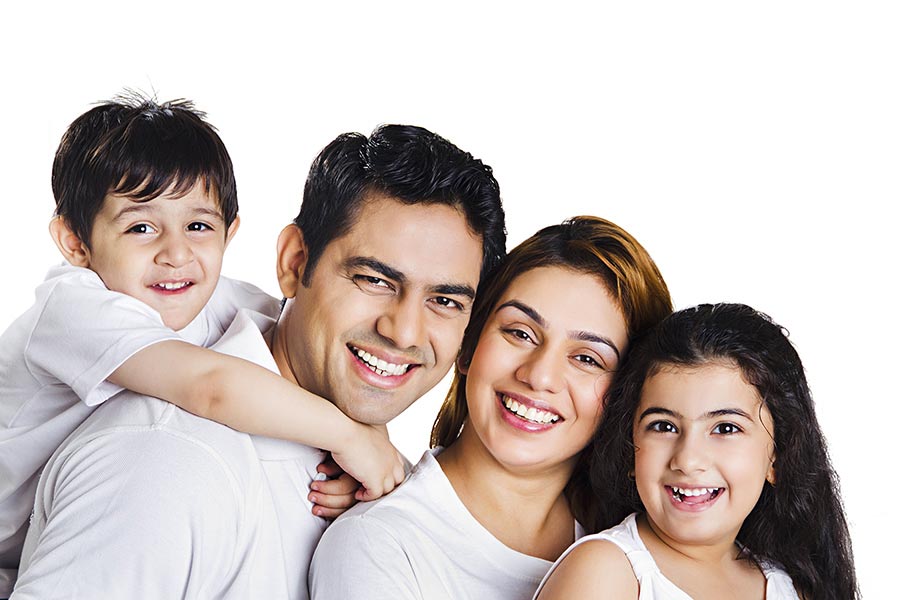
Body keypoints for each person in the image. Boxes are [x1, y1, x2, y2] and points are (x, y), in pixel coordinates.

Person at [11, 123, 506, 599]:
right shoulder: (165, 461)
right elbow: (211, 386)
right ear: (294, 263)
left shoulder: (356, 465)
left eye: (445, 301)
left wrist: (378, 455)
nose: (403, 331)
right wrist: (351, 434)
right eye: (373, 280)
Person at [309, 216, 673, 599]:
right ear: (468, 345)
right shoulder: (379, 544)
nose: (539, 376)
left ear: (626, 398)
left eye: (586, 359)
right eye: (520, 333)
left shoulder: (640, 547)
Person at [535, 303, 858, 600]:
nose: (688, 460)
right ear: (630, 450)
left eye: (725, 428)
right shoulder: (607, 573)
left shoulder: (789, 586)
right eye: (663, 426)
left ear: (777, 457)